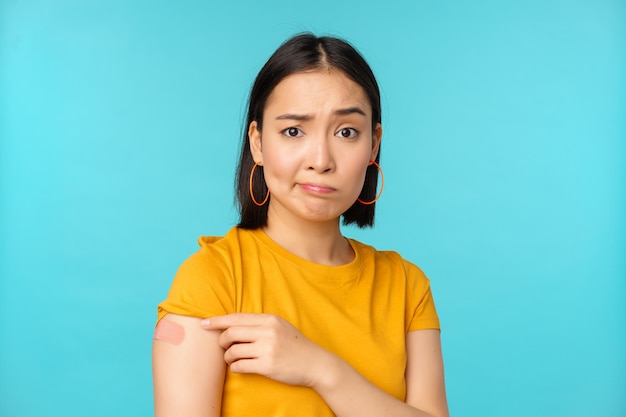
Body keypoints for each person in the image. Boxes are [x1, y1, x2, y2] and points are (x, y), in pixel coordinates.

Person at [152, 33, 449, 417]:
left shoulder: (408, 287)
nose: (321, 159)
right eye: (294, 131)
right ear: (258, 142)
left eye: (347, 132)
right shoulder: (214, 279)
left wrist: (321, 370)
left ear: (373, 144)